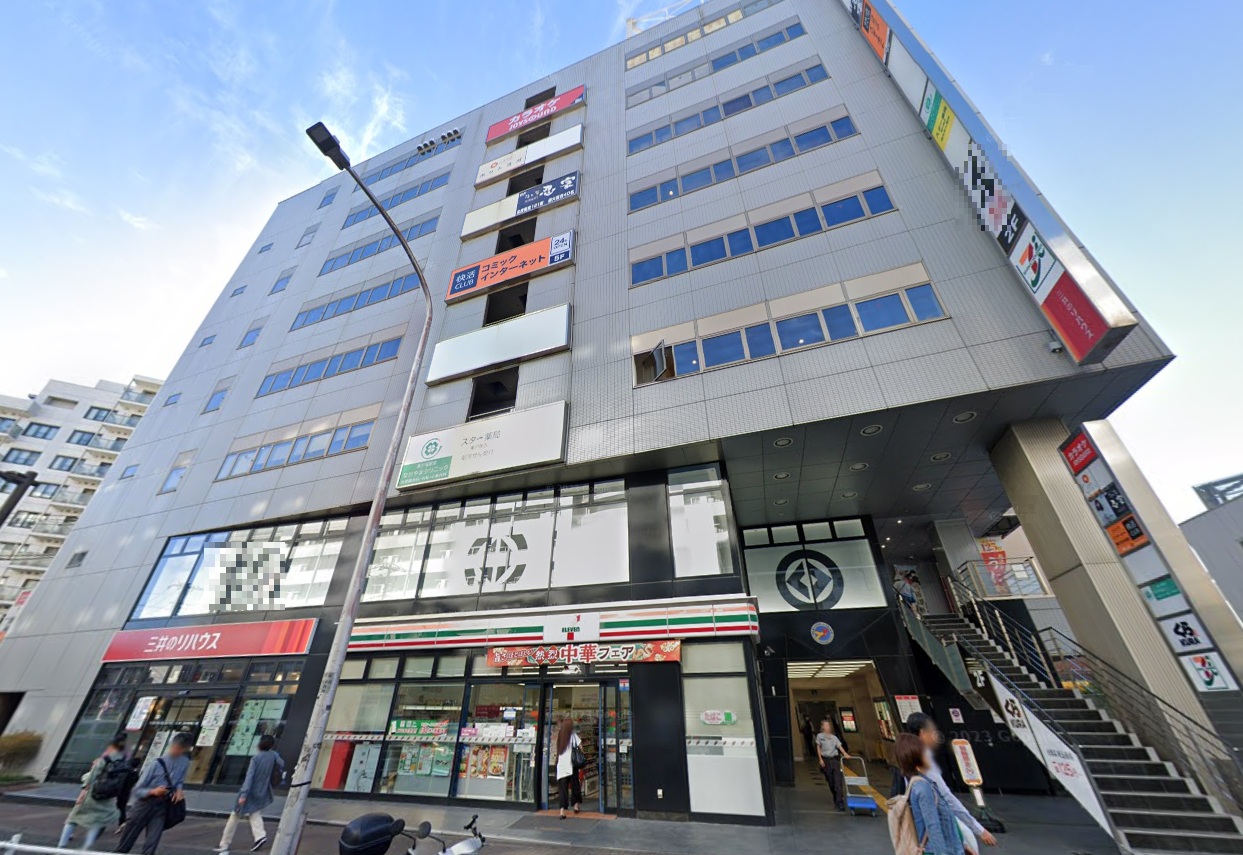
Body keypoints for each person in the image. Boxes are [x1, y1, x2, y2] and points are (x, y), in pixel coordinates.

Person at [905, 712, 995, 853]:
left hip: (921, 827)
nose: (935, 734)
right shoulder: (922, 759)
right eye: (931, 730)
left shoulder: (908, 755)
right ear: (922, 732)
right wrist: (979, 830)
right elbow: (945, 797)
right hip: (939, 827)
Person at [115, 732, 192, 855]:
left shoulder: (185, 762)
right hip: (145, 804)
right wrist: (153, 791)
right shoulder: (156, 764)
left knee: (153, 840)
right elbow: (137, 790)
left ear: (184, 749)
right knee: (127, 841)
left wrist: (179, 790)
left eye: (179, 749)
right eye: (174, 747)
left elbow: (180, 780)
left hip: (163, 805)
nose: (174, 751)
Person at [896, 732, 964, 855]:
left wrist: (963, 845)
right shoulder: (923, 788)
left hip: (948, 847)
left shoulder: (921, 783)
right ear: (917, 758)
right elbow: (933, 826)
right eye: (925, 753)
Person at [215, 734, 285, 852]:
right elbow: (281, 763)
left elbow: (249, 778)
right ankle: (260, 836)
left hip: (250, 792)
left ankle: (224, 843)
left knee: (234, 816)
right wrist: (275, 754)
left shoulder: (256, 759)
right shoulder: (273, 755)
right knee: (254, 813)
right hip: (262, 790)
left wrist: (243, 794)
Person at [59, 739, 127, 850]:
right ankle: (85, 848)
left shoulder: (104, 759)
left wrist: (82, 793)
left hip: (93, 794)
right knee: (98, 822)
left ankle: (61, 847)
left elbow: (91, 777)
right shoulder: (124, 762)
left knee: (72, 819)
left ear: (112, 747)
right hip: (108, 797)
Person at [814, 718, 852, 811]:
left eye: (828, 725)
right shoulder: (820, 736)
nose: (828, 727)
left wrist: (845, 754)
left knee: (838, 781)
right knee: (831, 781)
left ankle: (840, 801)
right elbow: (818, 747)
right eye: (826, 725)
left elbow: (839, 746)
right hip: (826, 760)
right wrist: (820, 759)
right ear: (822, 727)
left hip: (834, 760)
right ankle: (835, 796)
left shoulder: (834, 737)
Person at [554, 719, 582, 819]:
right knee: (575, 786)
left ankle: (562, 811)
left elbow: (557, 750)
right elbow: (580, 747)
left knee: (563, 789)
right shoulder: (573, 736)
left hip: (561, 766)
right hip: (572, 765)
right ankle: (576, 806)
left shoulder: (560, 736)